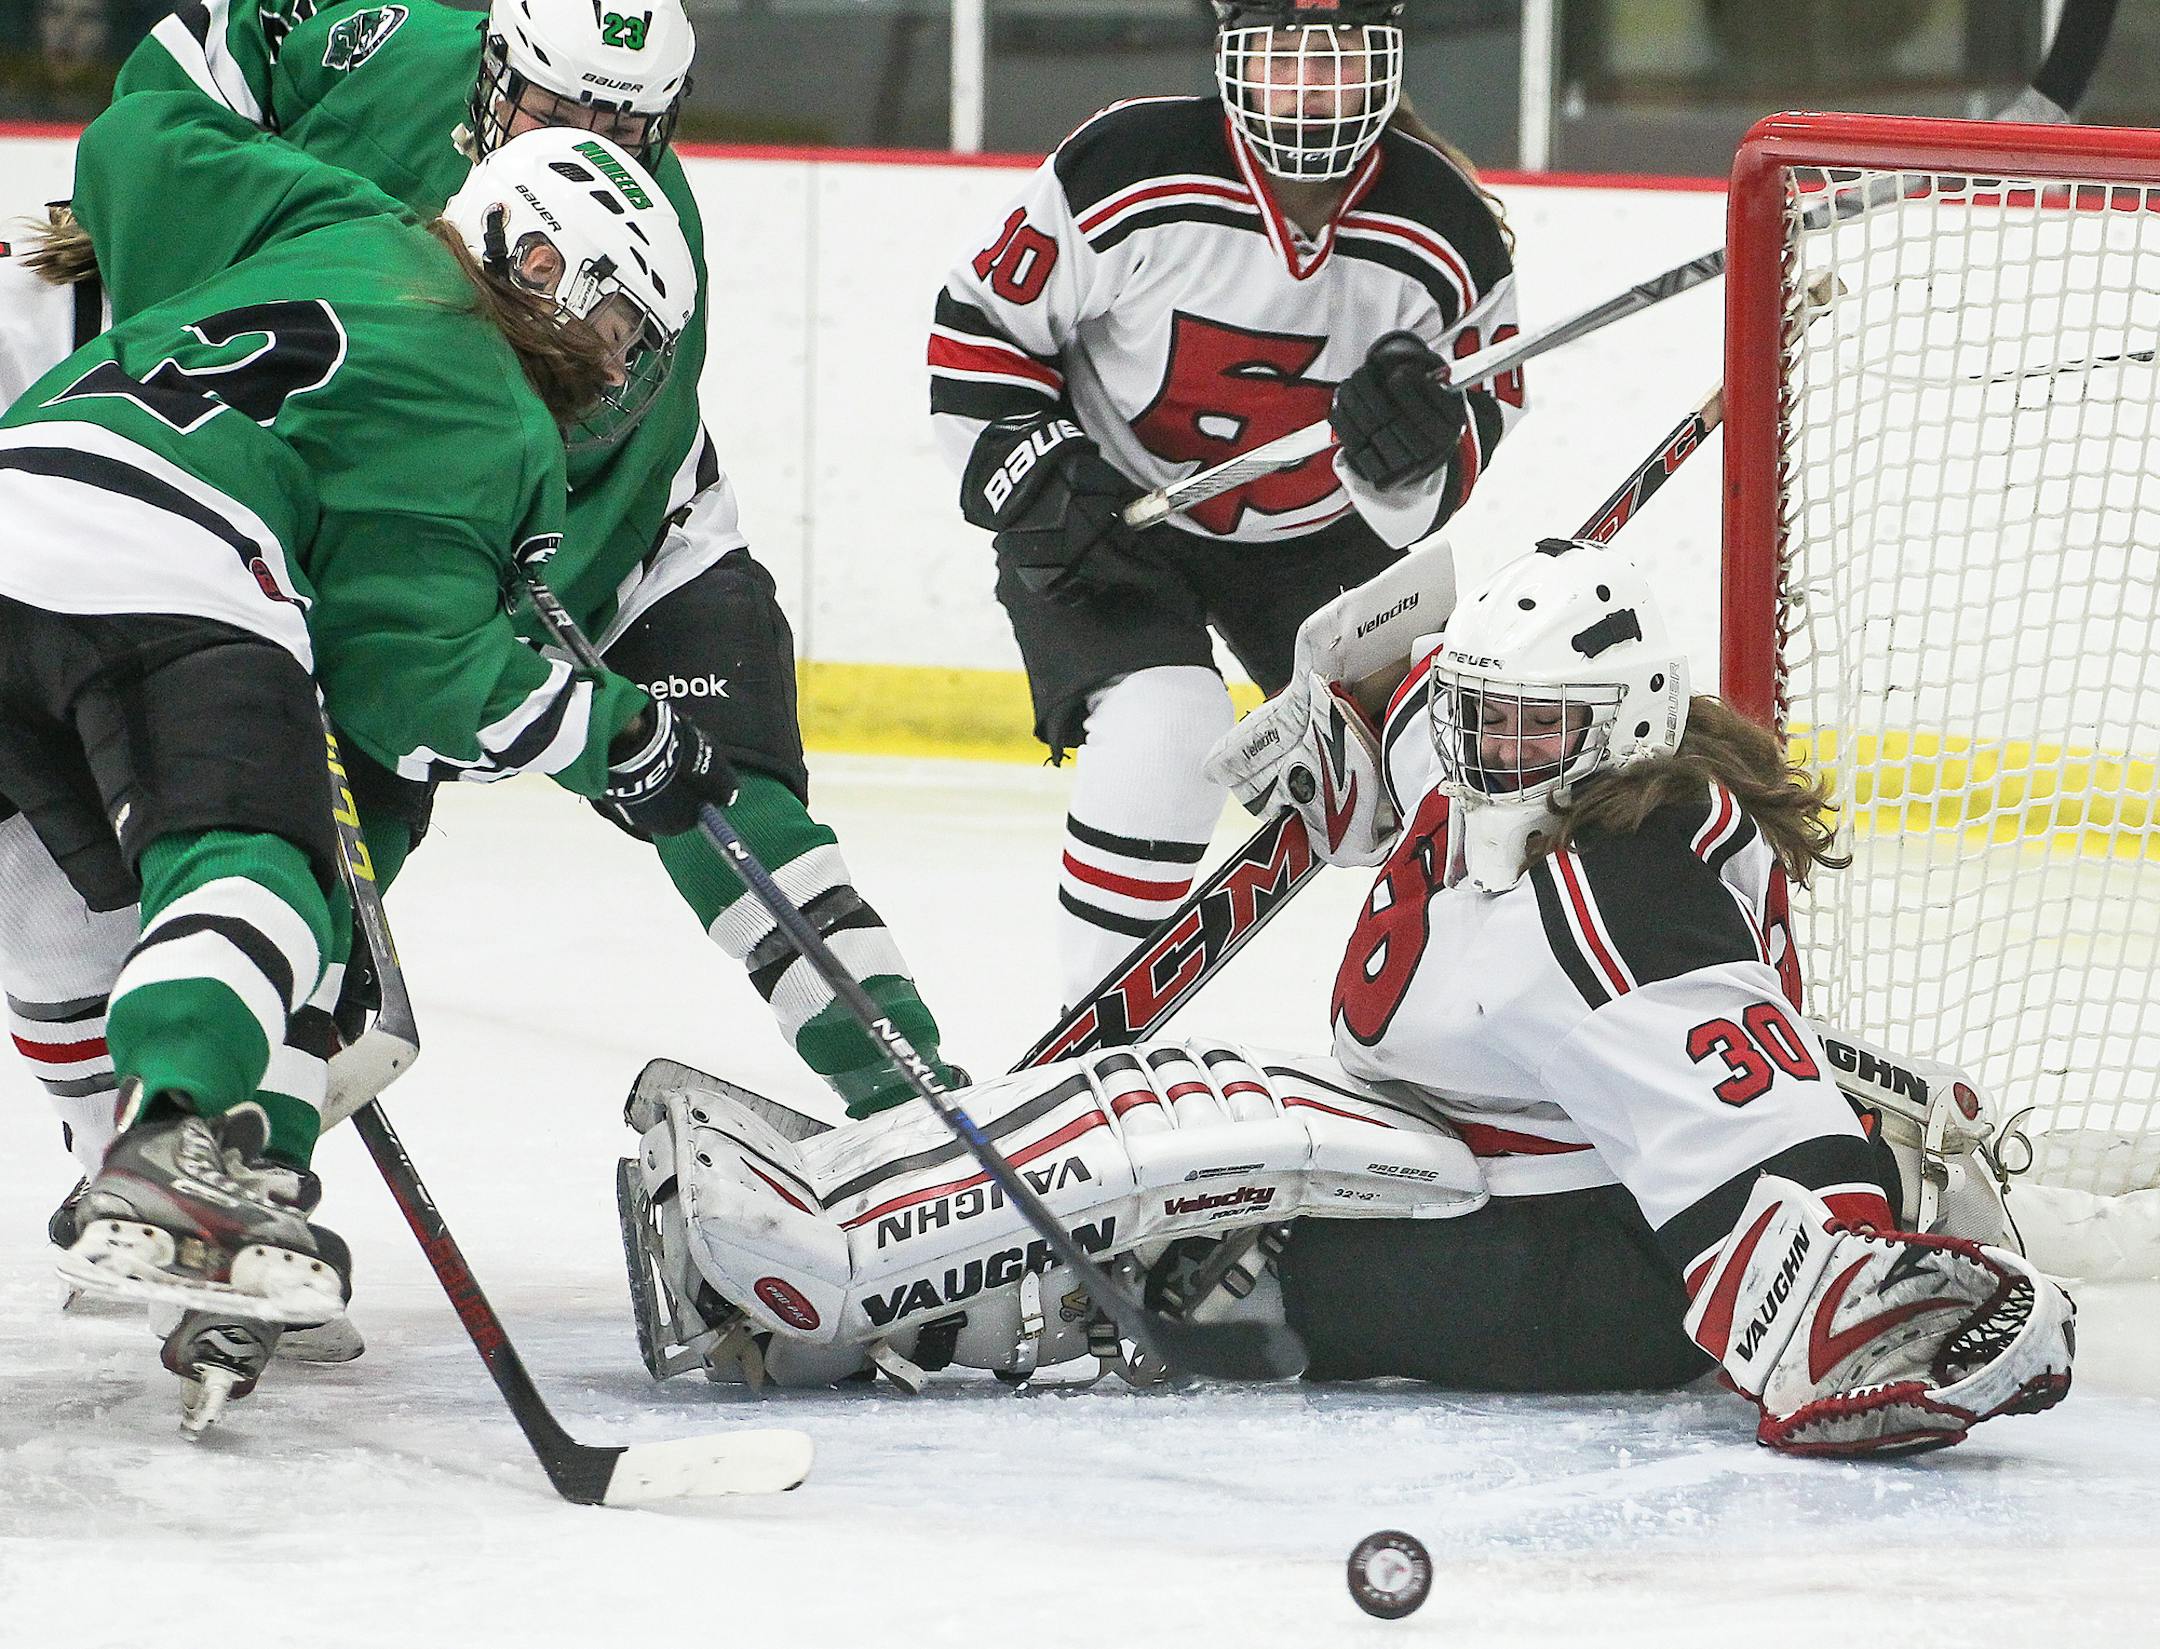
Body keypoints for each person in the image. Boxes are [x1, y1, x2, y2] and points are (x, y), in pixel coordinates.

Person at [613, 538, 2076, 1459]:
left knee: (1190, 1135)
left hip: (1581, 1272)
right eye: (1478, 723)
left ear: (1616, 725)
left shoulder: (1620, 893)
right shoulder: (1531, 758)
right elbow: (1418, 670)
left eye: (1526, 730)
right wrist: (1350, 725)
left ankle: (851, 1279)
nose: (1492, 751)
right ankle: (915, 1262)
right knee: (1203, 1151)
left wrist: (1858, 1300)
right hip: (1493, 1176)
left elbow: (1753, 1139)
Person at [3, 0, 958, 1195]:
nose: (590, 135)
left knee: (715, 797)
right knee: (246, 883)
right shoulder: (387, 70)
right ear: (495, 69)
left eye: (627, 120)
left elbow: (510, 538)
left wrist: (536, 683)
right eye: (560, 108)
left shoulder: (631, 270)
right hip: (245, 514)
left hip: (486, 535)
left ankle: (915, 1088)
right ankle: (179, 1170)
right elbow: (155, 124)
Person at [0, 94, 721, 1391]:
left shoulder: (337, 217)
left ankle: (149, 1193)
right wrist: (619, 735)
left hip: (20, 474)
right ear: (539, 257)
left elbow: (132, 146)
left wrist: (174, 280)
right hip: (162, 553)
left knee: (58, 906)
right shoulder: (494, 408)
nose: (615, 372)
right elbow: (412, 682)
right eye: (615, 329)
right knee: (259, 871)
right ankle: (171, 1155)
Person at [930, 0, 1525, 1014]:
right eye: (1283, 55)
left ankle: (1477, 1028)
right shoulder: (1128, 165)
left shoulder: (1446, 227)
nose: (1311, 87)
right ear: (1230, 59)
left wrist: (1405, 457)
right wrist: (1036, 469)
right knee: (1167, 722)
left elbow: (1482, 408)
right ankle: (1095, 1028)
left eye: (1339, 57)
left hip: (1311, 542)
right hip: (1110, 521)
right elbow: (982, 327)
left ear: (1387, 62)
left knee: (1449, 756)